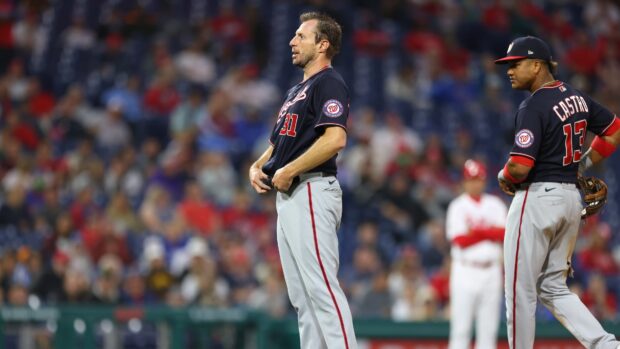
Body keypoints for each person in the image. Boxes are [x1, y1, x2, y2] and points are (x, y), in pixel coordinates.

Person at [495, 36, 620, 349]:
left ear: (537, 65)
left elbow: (520, 167)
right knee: (552, 286)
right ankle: (606, 344)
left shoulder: (533, 105)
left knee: (518, 290)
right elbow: (614, 130)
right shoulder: (577, 97)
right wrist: (584, 163)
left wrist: (503, 174)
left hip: (537, 199)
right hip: (568, 199)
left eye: (516, 64)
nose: (509, 71)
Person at [248, 12, 358, 349]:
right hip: (291, 194)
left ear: (323, 44)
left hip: (311, 187)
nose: (292, 41)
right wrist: (257, 166)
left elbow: (335, 139)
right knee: (303, 299)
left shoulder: (329, 82)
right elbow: (277, 144)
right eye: (294, 35)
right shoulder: (298, 89)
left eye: (301, 36)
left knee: (321, 288)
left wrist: (290, 169)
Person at [446, 159, 506, 349]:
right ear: (464, 181)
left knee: (488, 332)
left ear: (484, 180)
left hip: (491, 271)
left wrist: (477, 232)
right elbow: (460, 241)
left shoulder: (495, 204)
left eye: (478, 179)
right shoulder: (457, 206)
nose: (475, 183)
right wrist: (489, 231)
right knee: (461, 330)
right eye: (471, 179)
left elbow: (505, 233)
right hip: (465, 271)